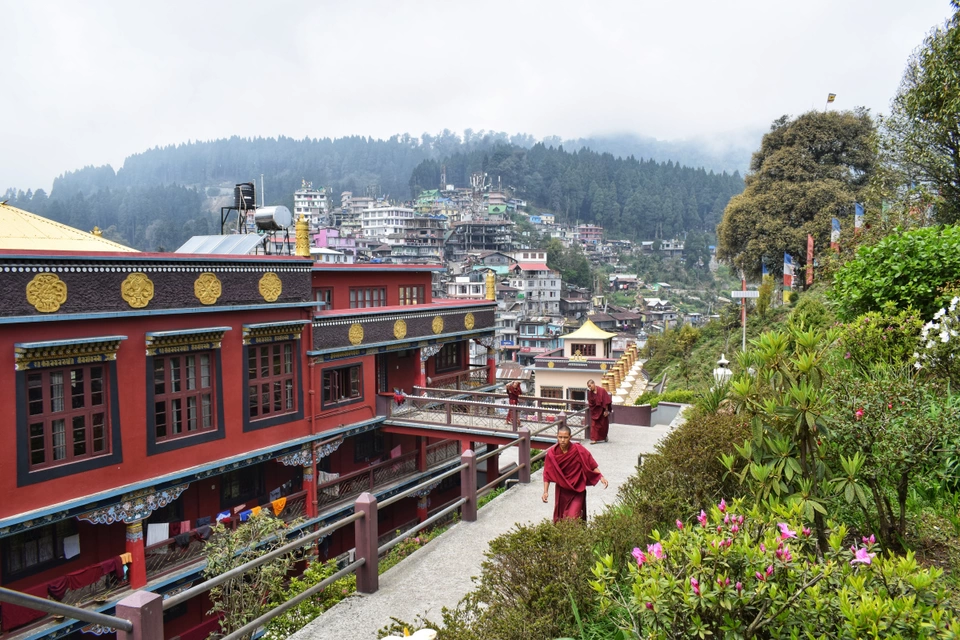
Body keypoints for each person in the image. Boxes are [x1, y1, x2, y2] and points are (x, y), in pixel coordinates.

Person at [542, 424, 608, 522]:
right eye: (560, 437)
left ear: (570, 437)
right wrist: (545, 492)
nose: (562, 440)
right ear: (557, 436)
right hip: (562, 490)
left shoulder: (578, 449)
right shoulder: (552, 454)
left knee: (573, 518)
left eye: (565, 437)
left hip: (578, 489)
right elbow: (547, 473)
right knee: (562, 519)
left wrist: (601, 476)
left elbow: (591, 463)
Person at [587, 379, 612, 444]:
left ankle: (604, 436)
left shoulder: (602, 390)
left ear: (593, 384)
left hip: (603, 410)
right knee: (594, 425)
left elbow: (606, 401)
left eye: (590, 386)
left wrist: (606, 411)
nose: (589, 388)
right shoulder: (590, 393)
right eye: (588, 386)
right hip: (595, 411)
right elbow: (590, 403)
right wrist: (593, 409)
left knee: (604, 425)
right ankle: (594, 439)